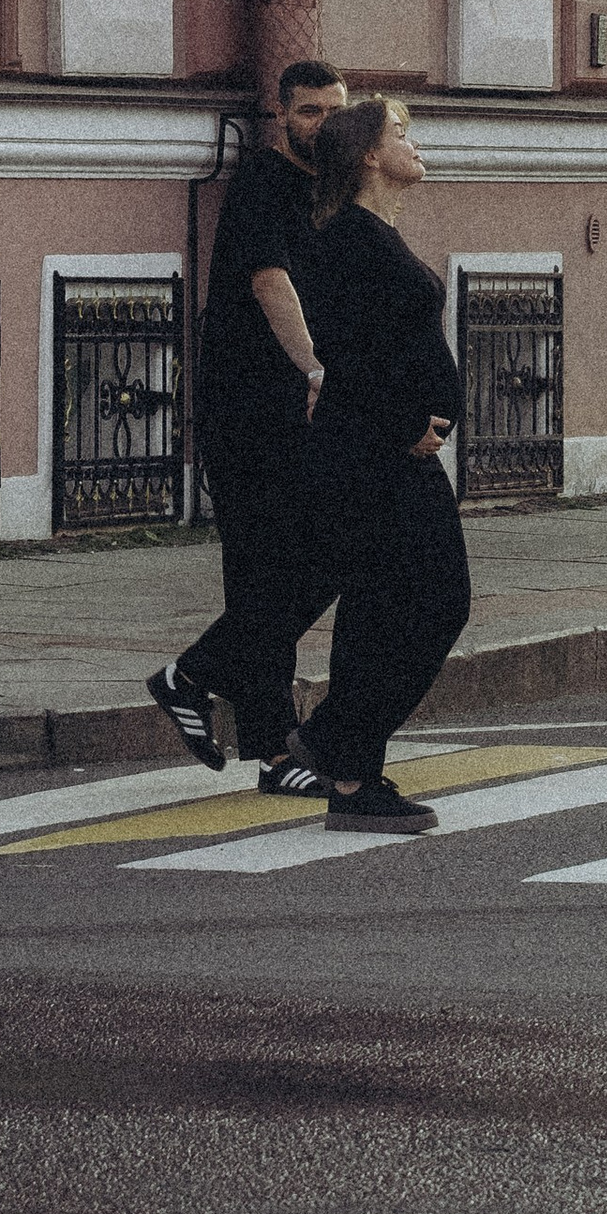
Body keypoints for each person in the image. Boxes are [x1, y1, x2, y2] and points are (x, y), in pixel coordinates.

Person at [147, 59, 347, 789]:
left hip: (298, 416)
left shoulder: (330, 194)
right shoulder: (262, 183)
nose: (321, 124)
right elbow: (271, 282)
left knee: (309, 565)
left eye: (333, 110)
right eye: (308, 112)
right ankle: (272, 753)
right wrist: (316, 369)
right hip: (249, 414)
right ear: (282, 115)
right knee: (269, 577)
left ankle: (192, 675)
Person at [286, 97, 472, 834]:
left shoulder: (372, 233)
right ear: (367, 154)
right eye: (400, 133)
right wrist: (405, 426)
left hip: (386, 454)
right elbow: (347, 353)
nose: (415, 142)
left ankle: (352, 769)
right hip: (374, 456)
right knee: (433, 603)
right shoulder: (347, 241)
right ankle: (338, 745)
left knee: (384, 609)